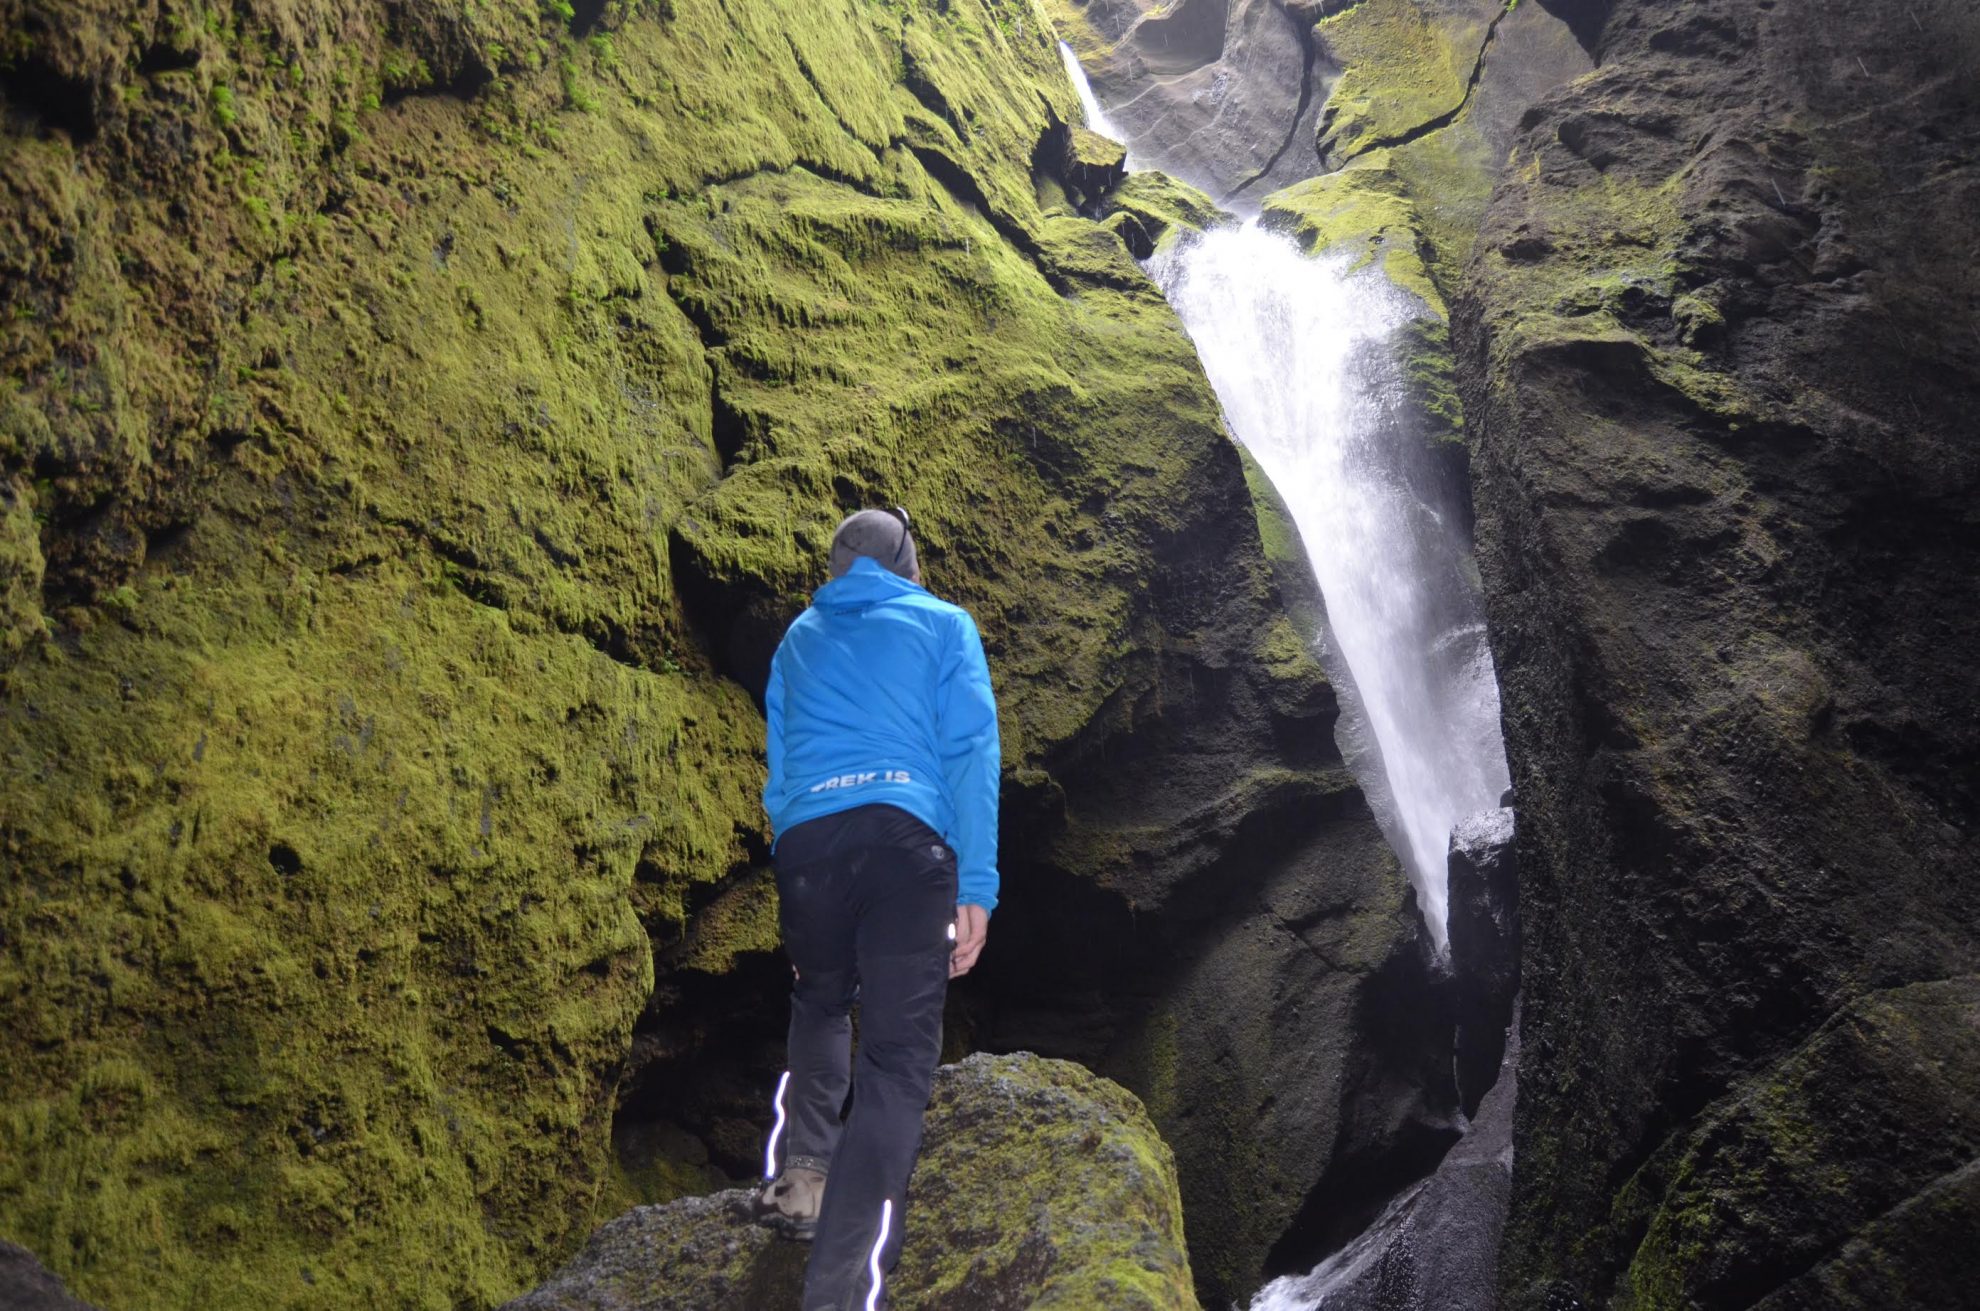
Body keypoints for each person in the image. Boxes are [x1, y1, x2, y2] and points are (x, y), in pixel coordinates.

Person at [752, 507, 1001, 1311]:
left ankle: (804, 1173)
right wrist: (977, 886)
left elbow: (780, 774)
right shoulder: (944, 624)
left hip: (809, 851)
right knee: (895, 1063)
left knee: (820, 996)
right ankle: (835, 1290)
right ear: (907, 562)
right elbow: (970, 754)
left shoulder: (797, 638)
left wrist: (798, 886)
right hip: (904, 845)